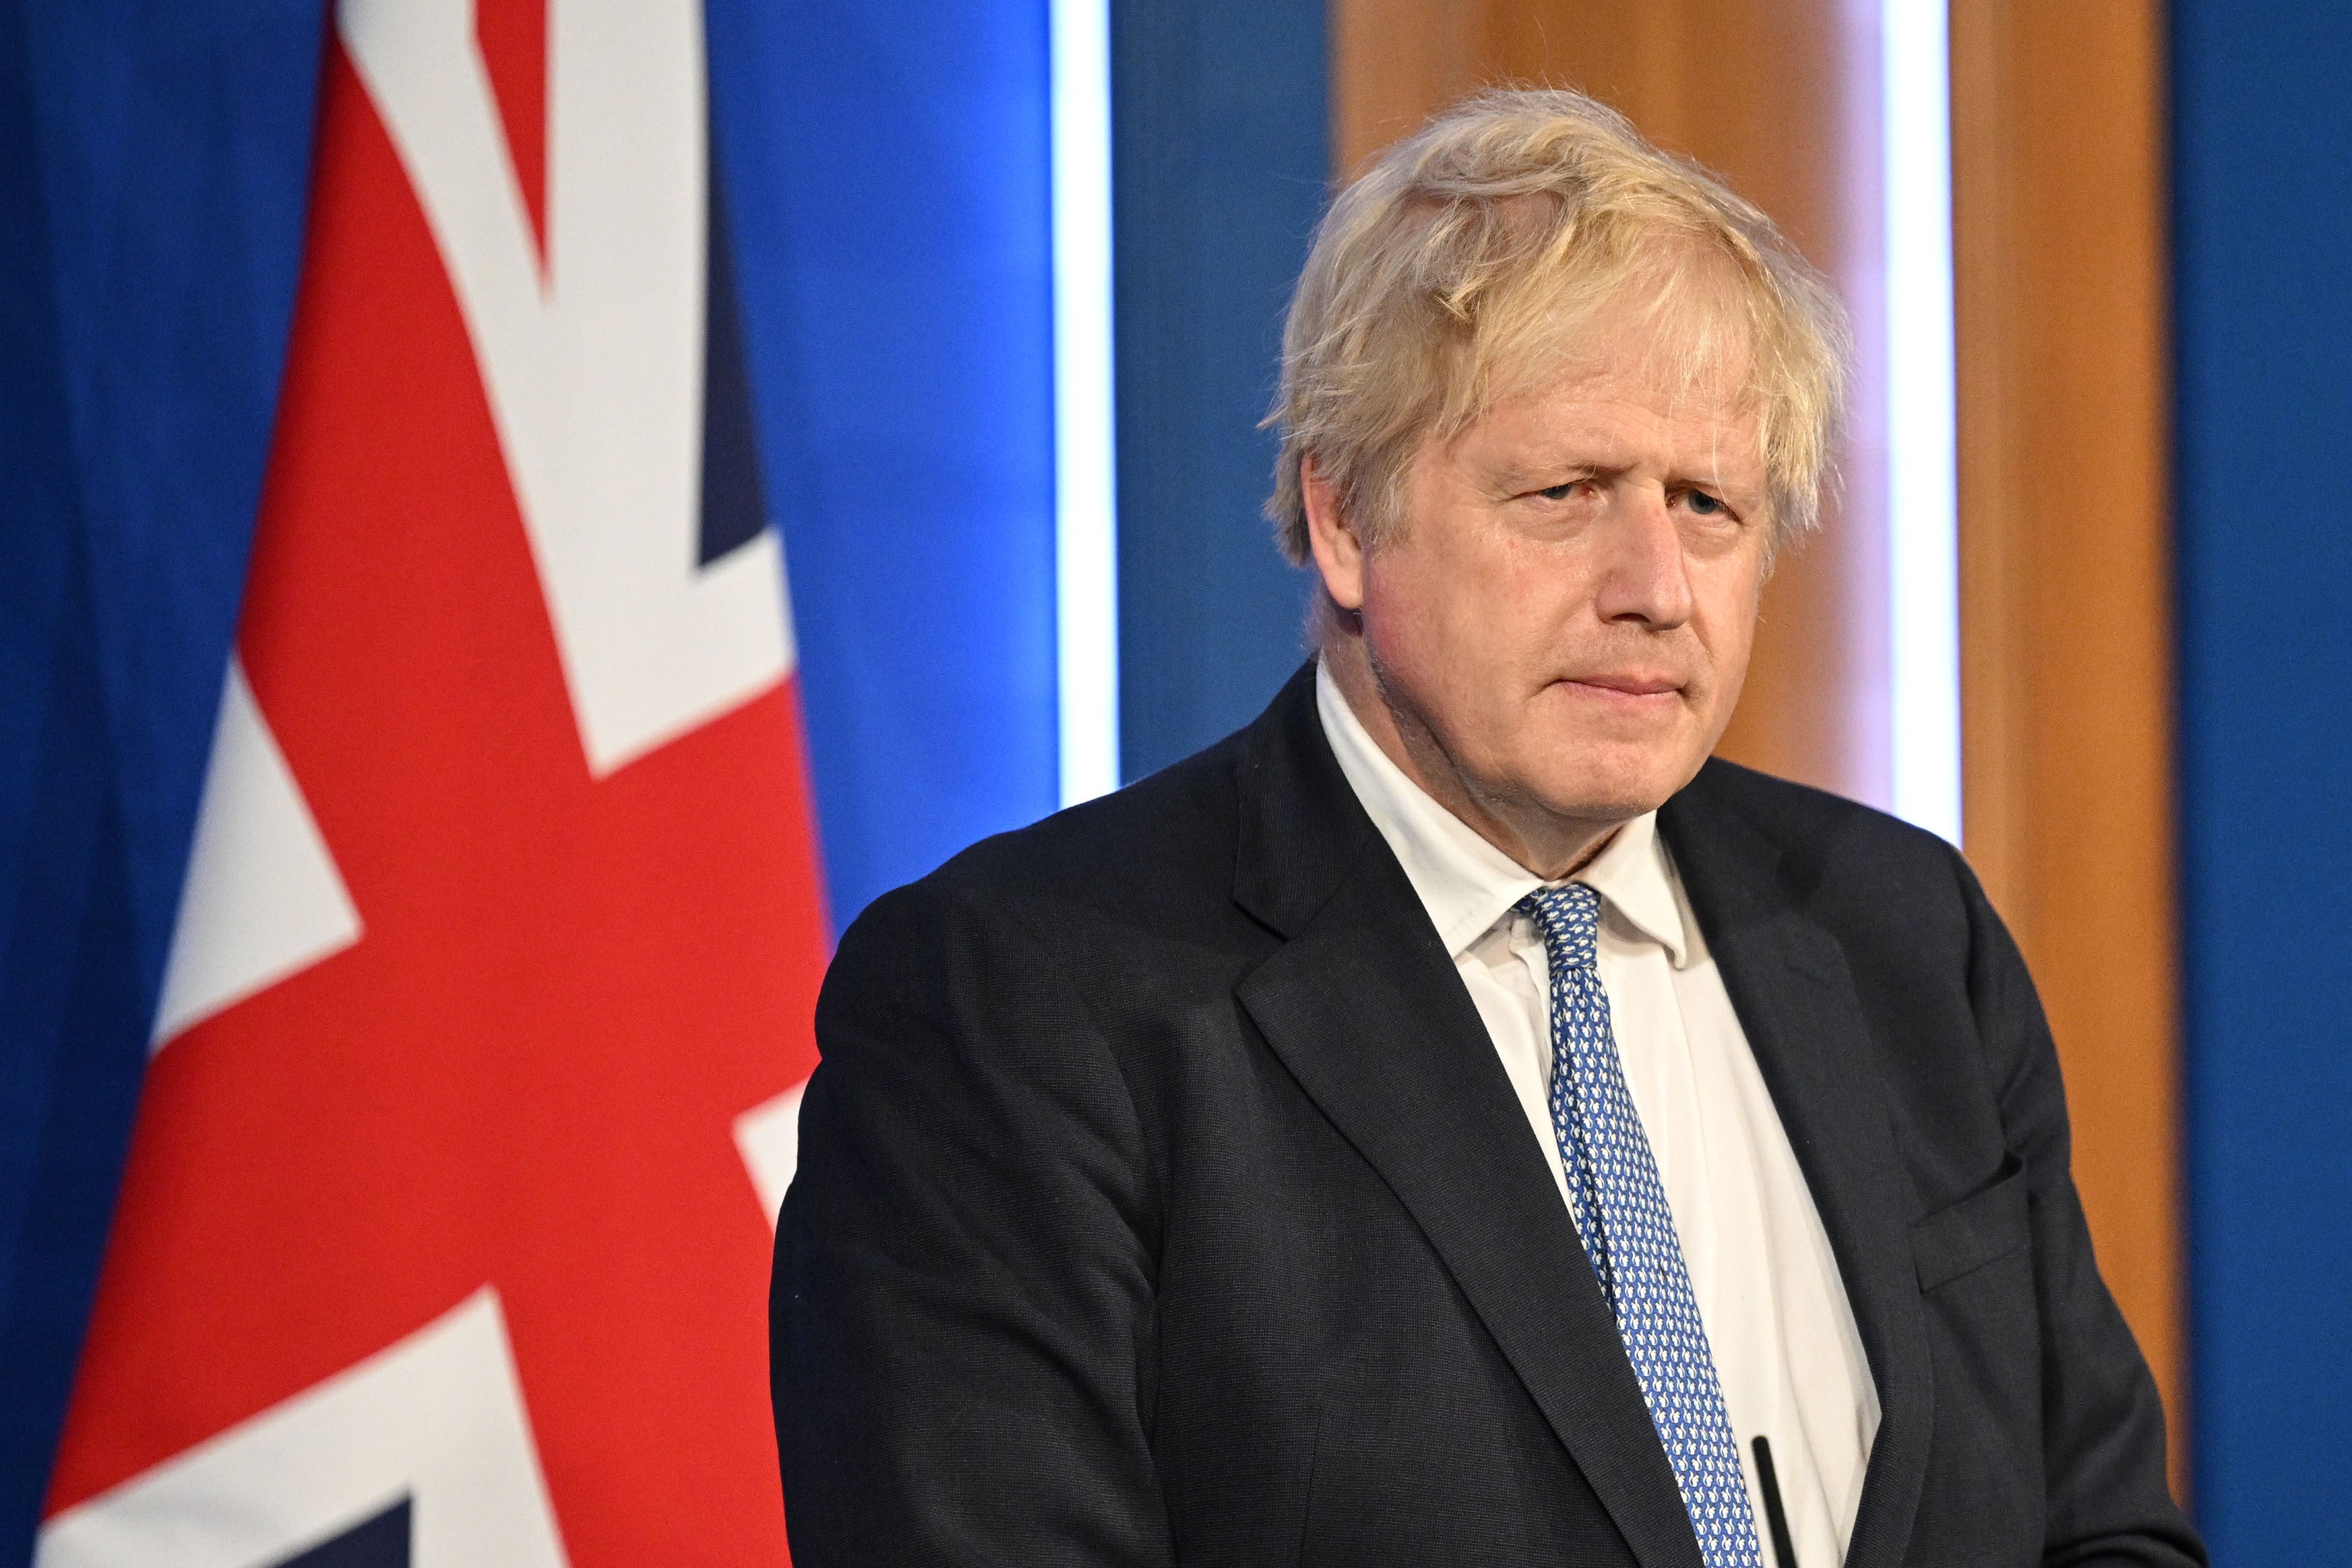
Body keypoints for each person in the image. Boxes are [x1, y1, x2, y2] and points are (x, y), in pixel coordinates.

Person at [770, 88, 2203, 1567]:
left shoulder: (1905, 933)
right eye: (1564, 491)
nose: (1653, 582)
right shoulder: (1022, 1004)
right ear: (1343, 520)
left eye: (1708, 503)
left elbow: (2101, 1531)